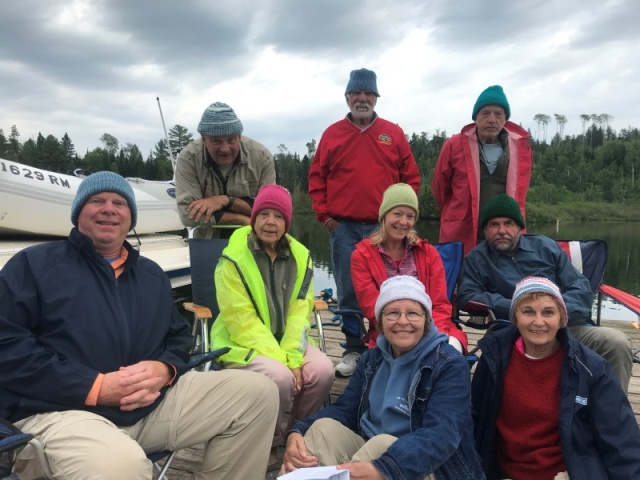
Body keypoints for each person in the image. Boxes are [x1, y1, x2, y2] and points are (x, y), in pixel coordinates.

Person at [0, 172, 279, 480]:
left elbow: (176, 337)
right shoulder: (33, 265)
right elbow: (8, 347)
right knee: (121, 468)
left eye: (119, 203)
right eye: (97, 201)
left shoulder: (151, 274)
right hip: (62, 412)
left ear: (130, 217)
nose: (109, 209)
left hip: (150, 406)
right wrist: (95, 388)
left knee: (258, 392)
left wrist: (165, 370)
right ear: (78, 212)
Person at [280, 276, 484, 479]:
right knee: (322, 430)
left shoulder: (449, 364)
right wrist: (298, 431)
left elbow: (441, 437)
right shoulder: (372, 358)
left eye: (413, 313)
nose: (403, 321)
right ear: (380, 321)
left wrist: (386, 467)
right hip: (369, 447)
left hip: (428, 465)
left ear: (427, 320)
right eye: (393, 313)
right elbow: (345, 410)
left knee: (382, 445)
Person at [210, 184, 335, 467]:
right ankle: (268, 440)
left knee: (323, 371)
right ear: (253, 219)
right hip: (240, 341)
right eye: (263, 214)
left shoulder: (301, 255)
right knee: (278, 376)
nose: (270, 222)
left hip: (285, 341)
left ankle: (296, 435)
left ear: (287, 222)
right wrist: (285, 362)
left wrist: (292, 356)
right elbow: (240, 320)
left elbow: (299, 312)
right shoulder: (232, 257)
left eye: (278, 216)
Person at [457, 193, 633, 393]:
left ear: (520, 227)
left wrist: (555, 315)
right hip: (511, 330)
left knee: (616, 343)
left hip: (566, 328)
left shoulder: (546, 247)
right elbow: (467, 295)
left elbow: (581, 287)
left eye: (509, 223)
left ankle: (611, 415)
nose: (502, 231)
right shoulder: (477, 259)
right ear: (485, 230)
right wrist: (520, 310)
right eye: (494, 225)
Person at [309, 68, 421, 377]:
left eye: (368, 93)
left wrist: (401, 219)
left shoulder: (392, 133)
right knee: (348, 291)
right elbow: (316, 179)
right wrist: (326, 218)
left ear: (375, 97)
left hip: (383, 228)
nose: (362, 99)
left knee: (388, 287)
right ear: (347, 97)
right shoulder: (332, 133)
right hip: (343, 227)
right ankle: (353, 350)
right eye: (355, 94)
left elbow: (410, 179)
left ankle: (386, 345)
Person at [472, 276, 640, 480]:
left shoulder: (591, 368)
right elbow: (473, 419)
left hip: (565, 473)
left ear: (562, 319)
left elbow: (619, 438)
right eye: (528, 311)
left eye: (548, 312)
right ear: (515, 318)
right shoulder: (493, 359)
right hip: (503, 473)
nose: (539, 321)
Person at [351, 183, 468, 353]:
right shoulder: (361, 256)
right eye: (397, 214)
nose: (403, 222)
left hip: (431, 328)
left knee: (450, 353)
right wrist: (403, 332)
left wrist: (429, 335)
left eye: (410, 216)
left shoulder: (429, 254)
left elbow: (440, 304)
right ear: (384, 216)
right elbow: (372, 308)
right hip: (389, 330)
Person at [432, 85, 532, 254]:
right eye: (485, 113)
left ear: (505, 119)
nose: (492, 119)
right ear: (475, 117)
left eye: (498, 114)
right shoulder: (453, 145)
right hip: (461, 234)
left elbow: (521, 195)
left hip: (504, 236)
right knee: (460, 279)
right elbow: (440, 190)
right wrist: (456, 214)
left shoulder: (521, 149)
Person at [175, 101, 276, 239]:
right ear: (204, 139)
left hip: (253, 244)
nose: (225, 148)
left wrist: (226, 201)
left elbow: (270, 211)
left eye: (231, 140)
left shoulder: (262, 157)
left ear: (239, 136)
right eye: (216, 141)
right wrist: (243, 220)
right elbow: (188, 216)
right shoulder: (188, 159)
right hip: (207, 245)